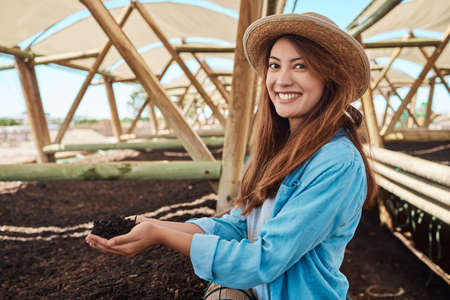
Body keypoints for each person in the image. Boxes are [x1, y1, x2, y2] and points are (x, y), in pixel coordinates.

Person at [86, 12, 376, 300]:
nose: (282, 79)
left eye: (300, 66)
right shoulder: (280, 149)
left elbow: (265, 259)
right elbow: (240, 226)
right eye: (274, 66)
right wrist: (150, 224)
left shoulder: (336, 162)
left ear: (331, 76)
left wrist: (162, 237)